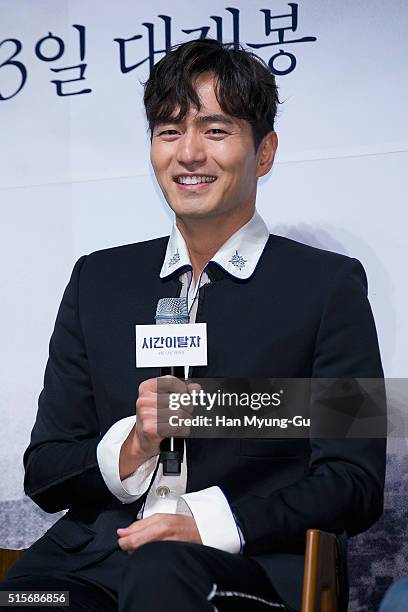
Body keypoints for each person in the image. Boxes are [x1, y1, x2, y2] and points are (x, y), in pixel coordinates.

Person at [0, 38, 386, 612]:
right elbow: (47, 471)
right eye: (169, 130)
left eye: (215, 130)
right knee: (28, 600)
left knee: (161, 579)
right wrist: (134, 444)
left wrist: (208, 522)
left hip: (242, 563)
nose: (188, 154)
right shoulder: (98, 282)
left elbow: (353, 483)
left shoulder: (327, 287)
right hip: (95, 558)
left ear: (265, 152)